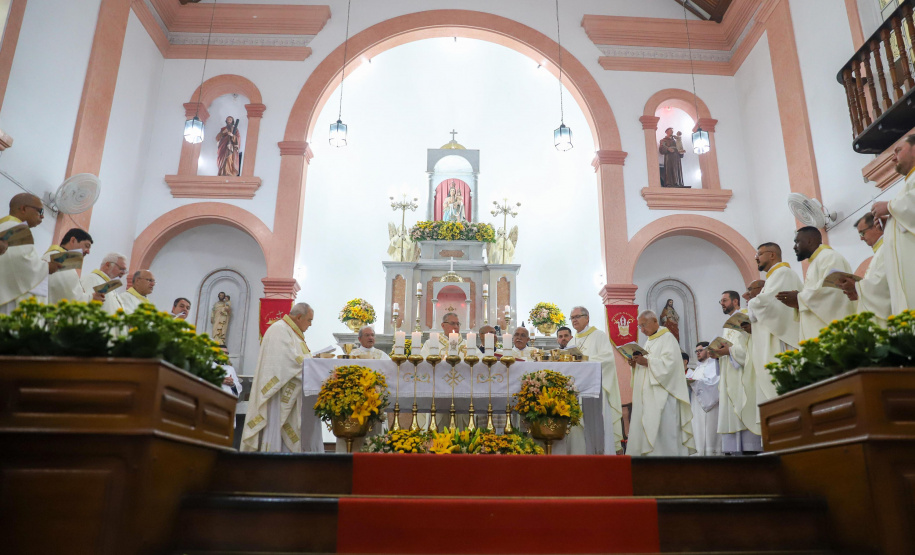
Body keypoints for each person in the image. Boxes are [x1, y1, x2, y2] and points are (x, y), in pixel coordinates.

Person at [242, 303, 319, 453]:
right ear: (298, 317)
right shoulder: (279, 330)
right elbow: (287, 361)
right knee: (275, 426)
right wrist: (312, 365)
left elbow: (300, 358)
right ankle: (272, 460)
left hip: (289, 387)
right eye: (309, 320)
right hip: (278, 392)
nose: (310, 325)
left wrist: (312, 362)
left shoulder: (292, 332)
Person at [627, 310, 695, 456]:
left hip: (664, 395)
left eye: (644, 325)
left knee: (664, 432)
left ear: (655, 322)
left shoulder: (668, 338)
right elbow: (648, 367)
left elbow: (670, 365)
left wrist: (647, 362)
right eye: (640, 327)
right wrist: (635, 364)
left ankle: (667, 463)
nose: (642, 330)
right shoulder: (649, 341)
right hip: (648, 396)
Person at [748, 243, 802, 420]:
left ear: (772, 255)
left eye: (760, 254)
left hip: (781, 341)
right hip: (775, 338)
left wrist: (751, 304)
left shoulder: (783, 273)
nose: (756, 257)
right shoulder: (774, 277)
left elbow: (769, 302)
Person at [775, 227, 855, 342]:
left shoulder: (829, 257)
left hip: (832, 334)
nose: (794, 246)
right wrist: (799, 301)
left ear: (810, 240)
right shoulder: (816, 262)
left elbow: (833, 292)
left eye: (797, 241)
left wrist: (799, 298)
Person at [569, 305, 623, 455]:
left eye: (577, 317)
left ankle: (601, 454)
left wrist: (584, 360)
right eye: (572, 318)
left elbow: (608, 359)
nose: (574, 320)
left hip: (596, 391)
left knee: (597, 426)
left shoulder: (599, 336)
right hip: (577, 392)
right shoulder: (572, 341)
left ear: (587, 318)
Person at [871, 134, 915, 313]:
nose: (893, 157)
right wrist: (891, 221)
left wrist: (889, 207)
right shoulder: (907, 186)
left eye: (898, 150)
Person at [712, 291, 759, 455]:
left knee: (744, 410)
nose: (722, 304)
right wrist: (717, 354)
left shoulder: (744, 318)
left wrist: (729, 351)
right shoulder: (729, 324)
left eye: (724, 300)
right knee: (731, 414)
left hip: (742, 377)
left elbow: (750, 348)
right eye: (721, 301)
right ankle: (732, 454)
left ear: (735, 301)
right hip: (729, 375)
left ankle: (750, 451)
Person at [0, 193, 60, 313]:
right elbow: (22, 262)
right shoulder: (16, 229)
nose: (42, 216)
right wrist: (47, 267)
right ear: (23, 209)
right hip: (10, 304)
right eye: (40, 211)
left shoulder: (4, 226)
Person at [839, 213, 891, 327]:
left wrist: (857, 287)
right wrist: (859, 293)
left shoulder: (887, 247)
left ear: (876, 226)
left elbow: (884, 283)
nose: (861, 238)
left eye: (862, 233)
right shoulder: (880, 252)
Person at [46, 228, 105, 305]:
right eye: (86, 246)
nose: (88, 252)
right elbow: (66, 293)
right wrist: (90, 298)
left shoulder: (60, 258)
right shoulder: (58, 258)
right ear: (73, 240)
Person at [687, 342, 721, 456]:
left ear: (708, 350)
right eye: (696, 351)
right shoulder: (698, 368)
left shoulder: (714, 365)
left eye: (700, 350)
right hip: (697, 407)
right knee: (698, 431)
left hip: (710, 407)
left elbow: (715, 384)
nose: (697, 353)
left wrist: (695, 383)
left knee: (709, 432)